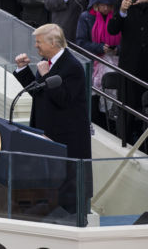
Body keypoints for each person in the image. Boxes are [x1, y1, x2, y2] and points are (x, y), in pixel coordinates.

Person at [14, 23, 91, 215]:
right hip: (47, 134)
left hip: (67, 140)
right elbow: (40, 93)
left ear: (54, 42)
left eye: (39, 42)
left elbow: (63, 99)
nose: (36, 46)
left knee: (67, 191)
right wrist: (23, 70)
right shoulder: (47, 62)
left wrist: (47, 75)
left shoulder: (72, 66)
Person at [108, 0, 148, 144]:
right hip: (129, 65)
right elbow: (112, 30)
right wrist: (122, 11)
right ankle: (125, 143)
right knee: (127, 108)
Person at [76, 0, 121, 128]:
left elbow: (126, 40)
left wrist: (116, 50)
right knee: (95, 100)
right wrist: (100, 47)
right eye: (103, 5)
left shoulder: (116, 17)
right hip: (94, 64)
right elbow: (81, 42)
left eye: (109, 5)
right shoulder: (86, 17)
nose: (106, 9)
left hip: (115, 62)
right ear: (96, 4)